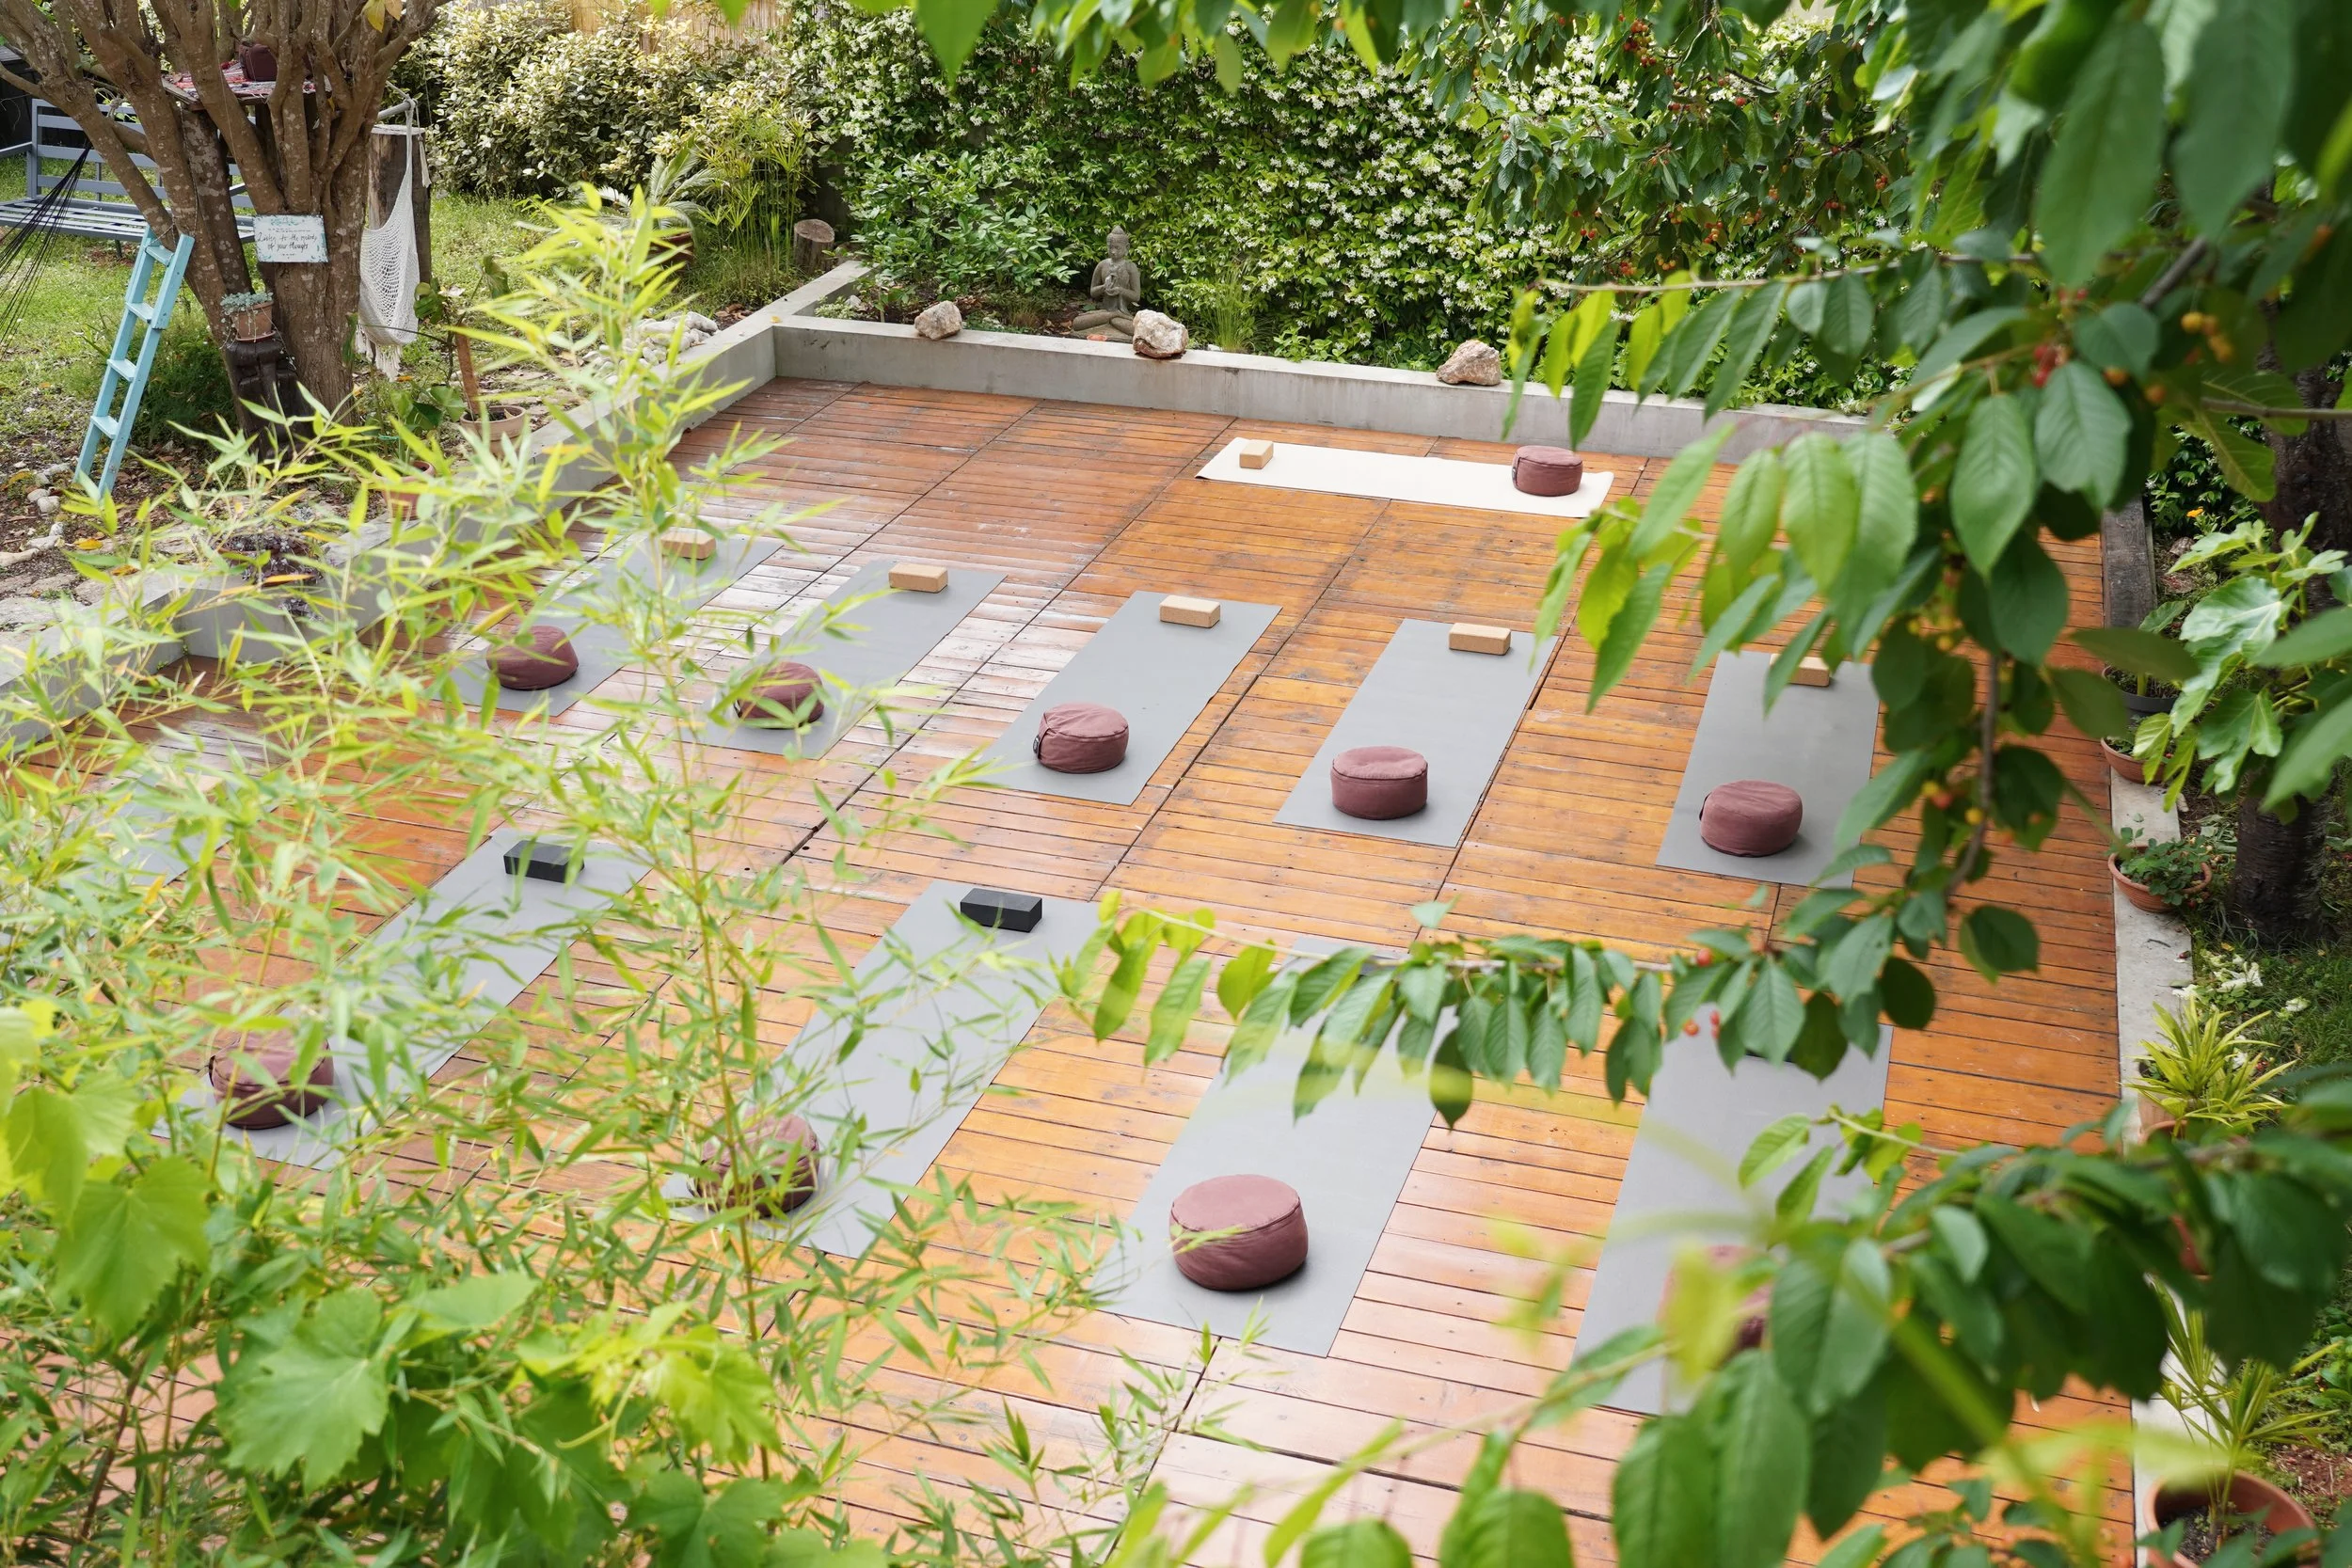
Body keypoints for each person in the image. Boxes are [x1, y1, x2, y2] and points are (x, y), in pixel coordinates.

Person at [1072, 227, 1142, 341]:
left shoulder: (1131, 267)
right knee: (1077, 323)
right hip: (1105, 311)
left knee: (1134, 330)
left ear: (1127, 247)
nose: (1113, 251)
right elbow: (1093, 292)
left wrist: (1120, 290)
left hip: (1123, 313)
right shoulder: (1102, 265)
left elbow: (1136, 296)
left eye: (1117, 248)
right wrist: (1104, 287)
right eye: (1110, 247)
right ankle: (1112, 316)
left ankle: (1113, 317)